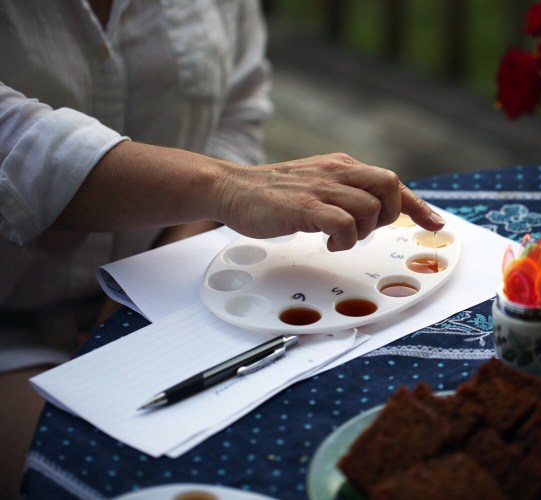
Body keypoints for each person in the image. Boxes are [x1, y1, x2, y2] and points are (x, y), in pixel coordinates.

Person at [0, 1, 444, 496]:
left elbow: (235, 117)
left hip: (169, 287)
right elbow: (14, 141)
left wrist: (147, 278)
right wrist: (228, 187)